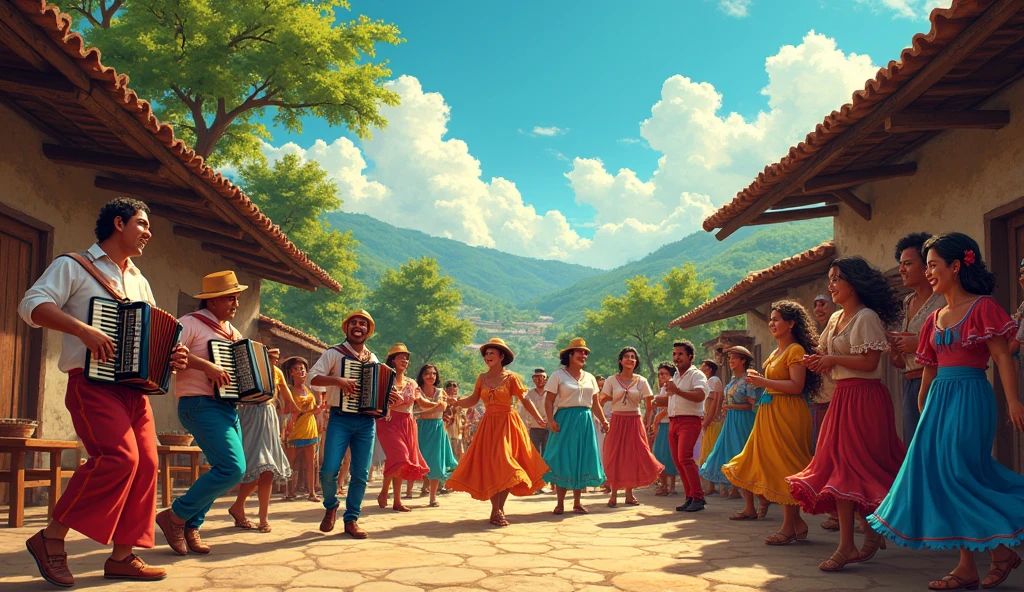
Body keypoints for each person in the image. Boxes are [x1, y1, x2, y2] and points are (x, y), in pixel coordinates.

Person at [20, 198, 187, 586]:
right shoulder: (74, 265)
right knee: (119, 458)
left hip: (134, 390)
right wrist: (82, 329)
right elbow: (32, 306)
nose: (148, 233)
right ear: (119, 222)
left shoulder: (140, 281)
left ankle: (122, 557)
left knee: (146, 464)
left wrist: (170, 355)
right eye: (143, 224)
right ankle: (51, 539)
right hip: (92, 383)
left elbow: (150, 335)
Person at [868, 233, 1024, 591]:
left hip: (971, 396)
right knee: (938, 476)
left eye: (934, 265)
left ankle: (1000, 551)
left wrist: (1013, 400)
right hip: (937, 402)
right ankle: (968, 565)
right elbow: (929, 365)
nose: (929, 272)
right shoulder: (934, 318)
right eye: (926, 266)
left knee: (959, 475)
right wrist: (924, 402)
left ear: (956, 266)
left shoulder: (983, 307)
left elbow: (1002, 356)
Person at [789, 257, 907, 572]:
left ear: (853, 282)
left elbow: (870, 364)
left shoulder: (865, 317)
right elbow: (831, 357)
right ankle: (852, 542)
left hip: (866, 399)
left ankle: (860, 537)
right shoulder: (837, 317)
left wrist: (830, 359)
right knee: (839, 468)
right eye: (830, 279)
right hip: (842, 396)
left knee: (858, 467)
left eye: (836, 278)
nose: (831, 285)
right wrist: (818, 362)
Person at [155, 271, 252, 557]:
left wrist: (244, 391)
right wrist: (206, 366)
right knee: (233, 468)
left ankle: (190, 525)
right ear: (211, 301)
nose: (235, 303)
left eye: (237, 297)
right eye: (230, 297)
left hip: (226, 407)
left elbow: (235, 370)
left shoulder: (233, 333)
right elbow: (170, 353)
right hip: (198, 404)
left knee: (225, 470)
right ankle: (175, 516)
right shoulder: (189, 323)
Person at [722, 301, 820, 545]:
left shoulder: (795, 350)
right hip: (769, 411)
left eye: (777, 319)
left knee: (786, 465)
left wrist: (764, 383)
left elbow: (796, 386)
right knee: (771, 463)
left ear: (791, 323)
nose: (772, 324)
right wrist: (763, 381)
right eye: (771, 319)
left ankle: (788, 527)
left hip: (788, 412)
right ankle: (797, 524)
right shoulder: (776, 352)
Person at [308, 310, 398, 539]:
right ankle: (331, 505)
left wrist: (388, 395)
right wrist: (337, 380)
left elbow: (379, 388)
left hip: (367, 422)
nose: (358, 326)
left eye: (363, 324)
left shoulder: (373, 359)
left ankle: (352, 519)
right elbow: (312, 377)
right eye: (354, 323)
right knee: (328, 470)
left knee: (361, 473)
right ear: (346, 328)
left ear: (369, 331)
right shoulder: (333, 353)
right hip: (340, 417)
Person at [446, 338, 548, 526]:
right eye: (486, 354)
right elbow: (473, 399)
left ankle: (498, 510)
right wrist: (457, 402)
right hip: (488, 425)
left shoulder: (512, 378)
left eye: (491, 353)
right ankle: (497, 510)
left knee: (506, 463)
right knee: (494, 466)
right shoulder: (482, 378)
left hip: (508, 423)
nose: (487, 356)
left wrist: (539, 418)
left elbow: (524, 400)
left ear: (502, 356)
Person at [889, 232, 943, 447]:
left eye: (908, 263)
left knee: (936, 447)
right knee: (915, 448)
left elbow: (956, 342)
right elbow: (901, 361)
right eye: (901, 264)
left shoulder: (943, 299)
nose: (901, 269)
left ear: (927, 265)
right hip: (910, 382)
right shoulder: (908, 301)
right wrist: (896, 348)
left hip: (938, 381)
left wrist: (918, 343)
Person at [229, 348, 293, 533]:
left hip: (270, 415)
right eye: (270, 357)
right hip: (250, 415)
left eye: (276, 358)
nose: (274, 361)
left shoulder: (277, 373)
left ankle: (263, 517)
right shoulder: (246, 369)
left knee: (268, 469)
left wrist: (297, 413)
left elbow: (285, 397)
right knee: (257, 466)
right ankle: (239, 506)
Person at [543, 338, 609, 514]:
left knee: (581, 458)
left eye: (586, 352)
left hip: (585, 420)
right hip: (564, 419)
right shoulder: (558, 375)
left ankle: (578, 502)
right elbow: (548, 401)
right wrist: (551, 421)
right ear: (570, 355)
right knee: (563, 458)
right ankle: (560, 502)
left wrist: (603, 421)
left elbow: (595, 403)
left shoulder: (590, 378)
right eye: (580, 351)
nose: (584, 355)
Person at [375, 344, 440, 511]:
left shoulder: (411, 383)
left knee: (399, 462)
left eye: (407, 358)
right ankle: (384, 491)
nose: (405, 360)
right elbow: (374, 400)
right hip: (389, 421)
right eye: (400, 357)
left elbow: (421, 402)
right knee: (401, 457)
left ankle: (396, 501)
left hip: (408, 423)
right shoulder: (383, 379)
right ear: (392, 360)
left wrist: (437, 404)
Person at [600, 347, 663, 507]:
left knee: (633, 457)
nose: (630, 359)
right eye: (626, 357)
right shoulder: (611, 380)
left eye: (633, 357)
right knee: (615, 455)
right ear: (620, 361)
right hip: (617, 420)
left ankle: (629, 494)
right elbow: (600, 401)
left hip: (635, 421)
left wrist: (649, 423)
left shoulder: (641, 381)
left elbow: (649, 405)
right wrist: (603, 420)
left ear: (636, 362)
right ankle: (613, 494)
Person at [654, 340, 710, 513]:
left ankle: (698, 497)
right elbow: (674, 398)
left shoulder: (697, 375)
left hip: (689, 420)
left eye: (680, 354)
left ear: (690, 357)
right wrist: (657, 400)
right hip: (674, 421)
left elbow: (700, 395)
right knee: (679, 461)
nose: (676, 357)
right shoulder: (676, 376)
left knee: (685, 458)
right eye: (674, 354)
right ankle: (690, 496)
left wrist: (676, 391)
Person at [700, 347, 760, 503]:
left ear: (743, 361)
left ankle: (755, 495)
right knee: (726, 452)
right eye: (730, 358)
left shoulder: (749, 379)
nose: (730, 361)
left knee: (741, 453)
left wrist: (729, 407)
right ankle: (735, 488)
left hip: (743, 421)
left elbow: (751, 405)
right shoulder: (733, 380)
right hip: (730, 420)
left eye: (734, 358)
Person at [414, 363, 458, 507]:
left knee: (436, 462)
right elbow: (422, 404)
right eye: (427, 373)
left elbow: (444, 407)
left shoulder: (440, 391)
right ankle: (421, 488)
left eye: (433, 373)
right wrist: (437, 406)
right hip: (421, 428)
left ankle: (432, 497)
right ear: (422, 376)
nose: (431, 376)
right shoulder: (417, 390)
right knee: (421, 461)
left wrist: (442, 405)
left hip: (437, 428)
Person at [280, 356, 321, 501]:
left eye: (302, 369)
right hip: (295, 429)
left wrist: (317, 408)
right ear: (291, 373)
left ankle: (312, 493)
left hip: (310, 428)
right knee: (292, 463)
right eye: (296, 369)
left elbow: (315, 409)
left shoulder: (309, 389)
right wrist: (294, 411)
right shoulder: (288, 391)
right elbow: (283, 410)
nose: (300, 372)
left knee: (312, 463)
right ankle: (290, 491)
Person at [651, 363, 679, 496]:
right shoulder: (662, 388)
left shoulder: (671, 387)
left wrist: (657, 418)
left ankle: (671, 485)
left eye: (664, 374)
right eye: (660, 374)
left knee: (669, 454)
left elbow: (668, 407)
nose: (661, 377)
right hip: (662, 425)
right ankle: (664, 484)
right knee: (659, 454)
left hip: (668, 423)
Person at [698, 359, 725, 496]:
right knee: (708, 452)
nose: (700, 368)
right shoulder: (711, 381)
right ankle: (712, 486)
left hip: (713, 422)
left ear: (708, 369)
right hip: (712, 421)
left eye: (702, 366)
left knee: (711, 453)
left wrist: (707, 421)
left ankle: (717, 487)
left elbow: (714, 403)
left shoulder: (713, 381)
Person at [522, 368, 549, 494]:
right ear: (533, 379)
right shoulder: (528, 394)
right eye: (537, 377)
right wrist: (524, 427)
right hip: (534, 428)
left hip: (549, 428)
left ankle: (545, 483)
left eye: (542, 377)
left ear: (546, 378)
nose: (540, 379)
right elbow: (523, 412)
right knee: (534, 456)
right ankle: (535, 484)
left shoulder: (551, 393)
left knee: (547, 455)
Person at [443, 381, 467, 460]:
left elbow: (464, 414)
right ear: (446, 389)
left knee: (458, 446)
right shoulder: (443, 398)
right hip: (445, 425)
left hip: (457, 426)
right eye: (449, 385)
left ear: (457, 388)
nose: (452, 387)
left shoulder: (460, 399)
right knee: (446, 444)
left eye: (454, 385)